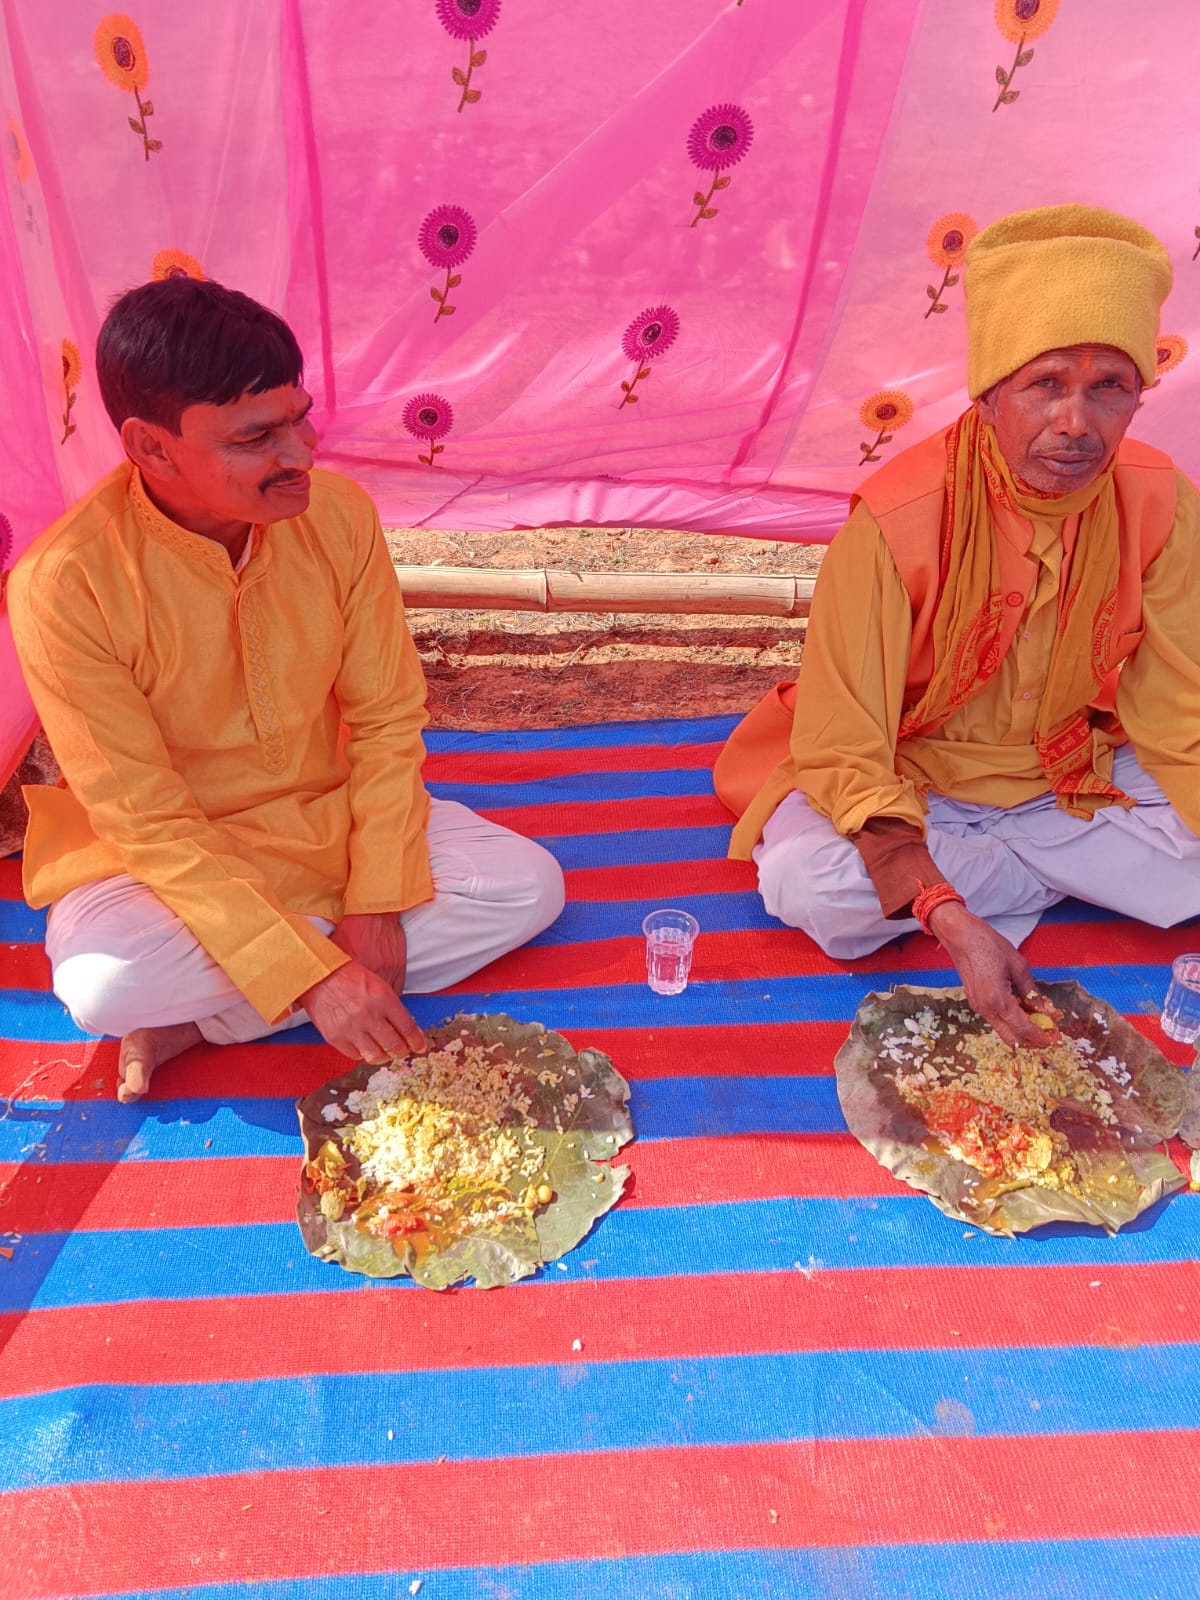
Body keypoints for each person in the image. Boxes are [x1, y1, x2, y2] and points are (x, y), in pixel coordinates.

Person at [8, 277, 565, 1102]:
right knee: (103, 985)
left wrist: (376, 904)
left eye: (299, 418)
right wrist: (313, 973)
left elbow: (387, 720)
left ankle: (205, 1023)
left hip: (327, 823)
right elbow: (145, 819)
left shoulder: (338, 516)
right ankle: (289, 985)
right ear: (152, 449)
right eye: (256, 438)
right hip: (163, 867)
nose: (301, 455)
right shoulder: (65, 584)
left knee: (529, 887)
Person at [715, 205, 1200, 1049]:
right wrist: (941, 906)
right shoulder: (898, 518)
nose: (1076, 423)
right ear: (990, 394)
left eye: (1108, 388)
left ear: (1137, 397)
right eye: (1046, 385)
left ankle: (1019, 876)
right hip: (915, 784)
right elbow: (844, 742)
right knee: (808, 881)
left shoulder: (1160, 497)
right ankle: (1056, 879)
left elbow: (1181, 709)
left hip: (1070, 774)